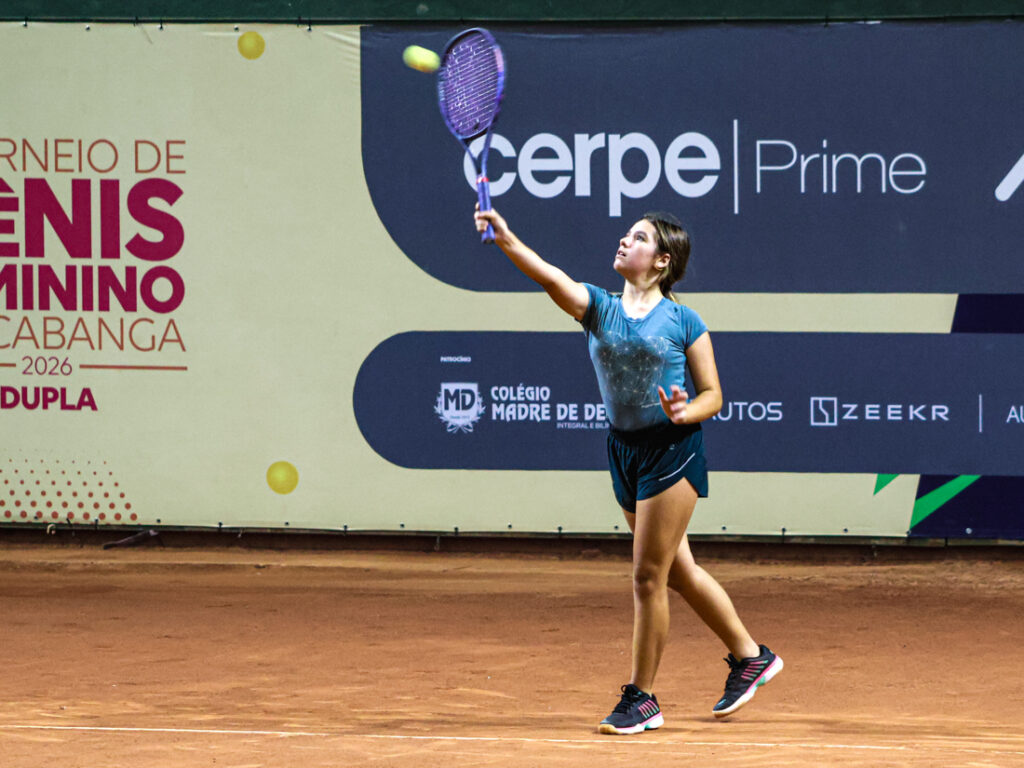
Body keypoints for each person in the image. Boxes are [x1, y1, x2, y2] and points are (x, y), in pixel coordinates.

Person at [473, 205, 783, 735]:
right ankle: (751, 656)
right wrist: (505, 238)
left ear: (662, 261)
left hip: (672, 449)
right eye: (626, 234)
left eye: (638, 238)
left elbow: (714, 395)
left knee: (646, 577)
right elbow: (547, 275)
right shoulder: (598, 307)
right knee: (676, 572)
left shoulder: (684, 321)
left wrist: (686, 411)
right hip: (624, 451)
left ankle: (642, 698)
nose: (624, 240)